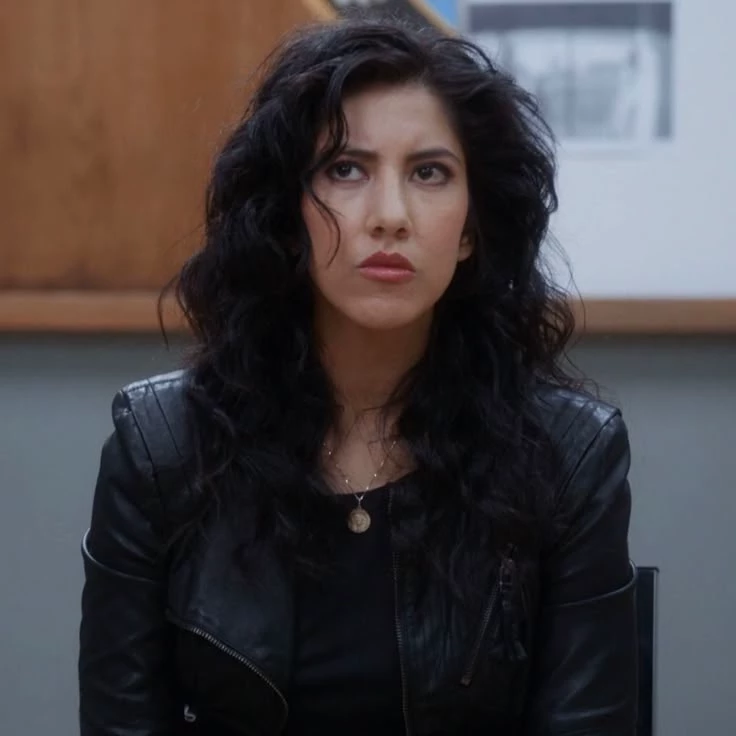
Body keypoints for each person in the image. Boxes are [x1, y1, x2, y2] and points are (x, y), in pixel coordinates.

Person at [78, 17, 638, 736]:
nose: (390, 217)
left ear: (471, 229)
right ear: (287, 214)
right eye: (346, 169)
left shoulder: (568, 457)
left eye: (429, 173)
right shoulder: (161, 449)